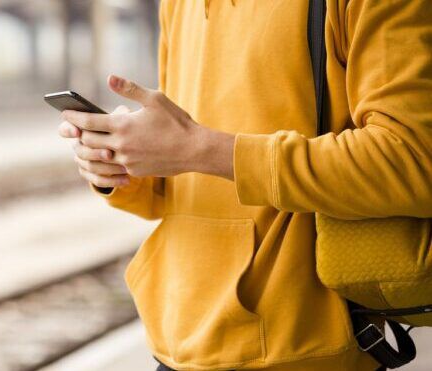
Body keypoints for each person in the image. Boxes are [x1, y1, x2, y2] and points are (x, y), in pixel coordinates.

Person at [57, 1, 432, 370]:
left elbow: (412, 160)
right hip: (179, 338)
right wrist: (119, 163)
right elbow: (184, 172)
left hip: (303, 346)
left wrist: (199, 149)